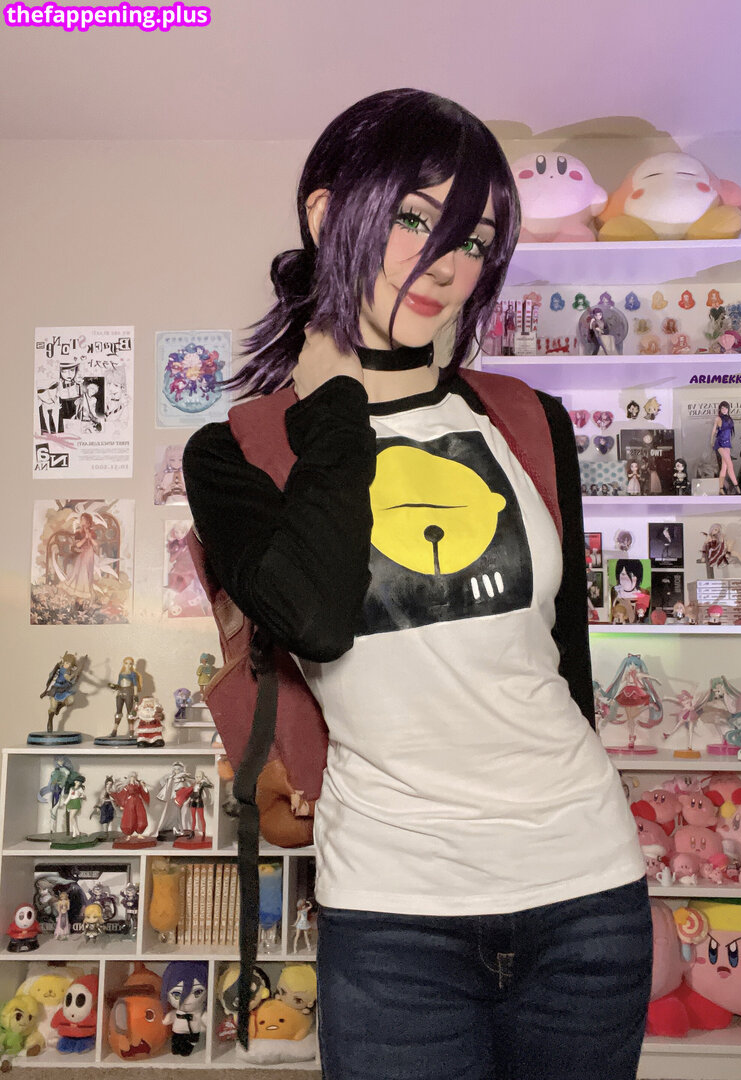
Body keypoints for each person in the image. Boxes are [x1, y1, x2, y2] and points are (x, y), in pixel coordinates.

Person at [183, 88, 650, 1080]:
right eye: (413, 217)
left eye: (475, 240)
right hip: (396, 916)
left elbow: (565, 661)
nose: (447, 262)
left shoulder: (529, 420)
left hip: (587, 891)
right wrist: (334, 404)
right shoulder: (238, 453)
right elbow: (314, 615)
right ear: (326, 215)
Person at [711, 399, 740, 493]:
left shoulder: (729, 419)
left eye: (726, 408)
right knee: (729, 464)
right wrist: (711, 441)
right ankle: (737, 486)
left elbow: (729, 432)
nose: (724, 410)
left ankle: (721, 488)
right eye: (722, 408)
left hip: (727, 444)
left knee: (724, 467)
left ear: (728, 409)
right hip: (720, 443)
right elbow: (713, 431)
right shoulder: (718, 418)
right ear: (720, 409)